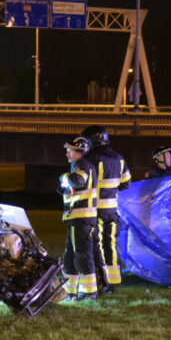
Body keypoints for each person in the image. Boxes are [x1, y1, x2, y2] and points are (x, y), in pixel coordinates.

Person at [82, 125, 131, 293]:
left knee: (98, 246)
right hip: (112, 211)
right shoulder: (119, 158)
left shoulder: (91, 159)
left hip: (95, 211)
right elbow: (126, 183)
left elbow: (83, 183)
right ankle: (115, 282)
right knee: (111, 244)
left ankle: (102, 281)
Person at [59, 136, 98, 300]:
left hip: (82, 218)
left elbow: (77, 181)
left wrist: (64, 177)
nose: (67, 153)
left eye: (70, 150)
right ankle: (70, 290)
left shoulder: (84, 167)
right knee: (70, 255)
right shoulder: (78, 166)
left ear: (80, 152)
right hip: (76, 218)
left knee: (82, 255)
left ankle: (88, 292)